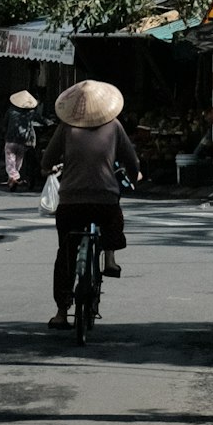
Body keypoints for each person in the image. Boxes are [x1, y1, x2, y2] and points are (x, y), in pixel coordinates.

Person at [39, 79, 141, 329]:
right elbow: (131, 160)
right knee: (113, 216)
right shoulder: (114, 126)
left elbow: (47, 159)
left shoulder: (66, 128)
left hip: (71, 200)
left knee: (65, 253)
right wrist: (135, 173)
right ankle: (109, 257)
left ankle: (62, 312)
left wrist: (47, 168)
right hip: (104, 199)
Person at [2, 90, 38, 190]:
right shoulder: (31, 113)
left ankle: (13, 177)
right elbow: (41, 119)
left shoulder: (10, 111)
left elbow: (4, 124)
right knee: (19, 160)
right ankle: (15, 176)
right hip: (24, 140)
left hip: (10, 140)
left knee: (10, 160)